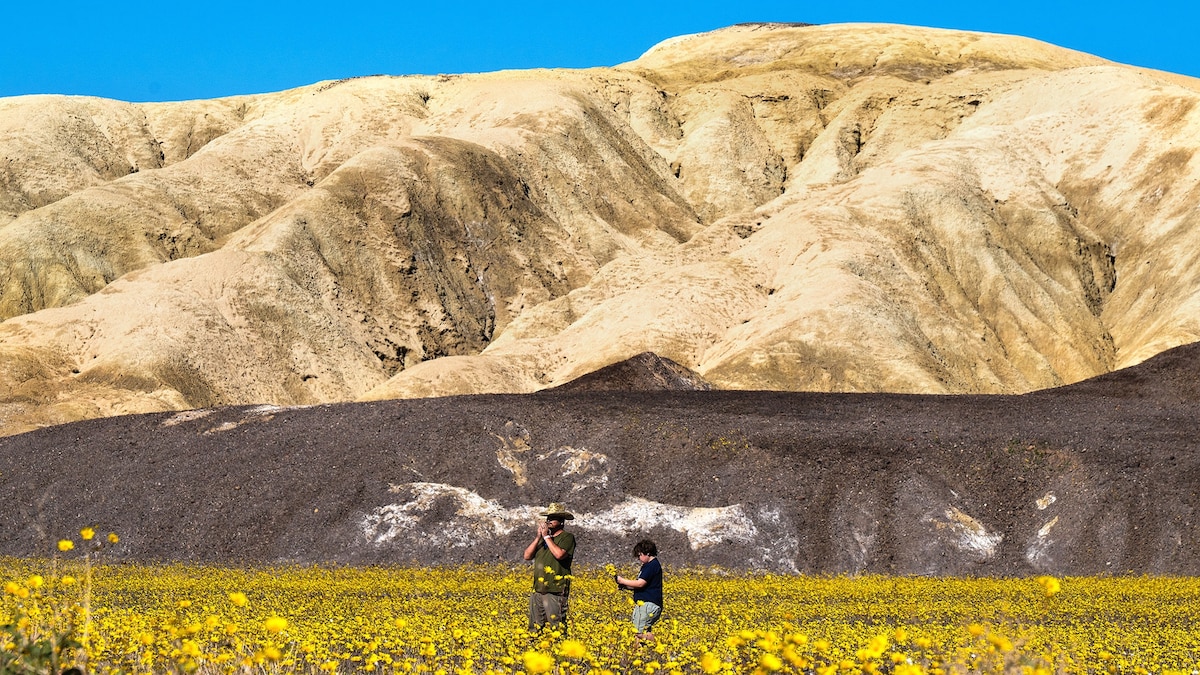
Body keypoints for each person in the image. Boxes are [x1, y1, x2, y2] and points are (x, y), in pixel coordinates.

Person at [523, 502, 576, 632]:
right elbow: (527, 556)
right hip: (538, 589)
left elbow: (559, 554)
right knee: (534, 628)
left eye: (553, 518)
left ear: (561, 521)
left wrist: (546, 537)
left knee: (556, 627)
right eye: (548, 518)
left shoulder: (567, 538)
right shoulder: (543, 539)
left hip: (556, 590)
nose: (549, 521)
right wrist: (538, 537)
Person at [616, 539, 663, 641]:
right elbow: (642, 585)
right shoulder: (650, 566)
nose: (639, 558)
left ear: (648, 553)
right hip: (646, 604)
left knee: (639, 632)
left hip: (647, 605)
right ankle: (639, 654)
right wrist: (626, 587)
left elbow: (640, 583)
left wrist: (622, 580)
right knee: (639, 632)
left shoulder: (651, 566)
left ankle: (662, 648)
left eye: (639, 555)